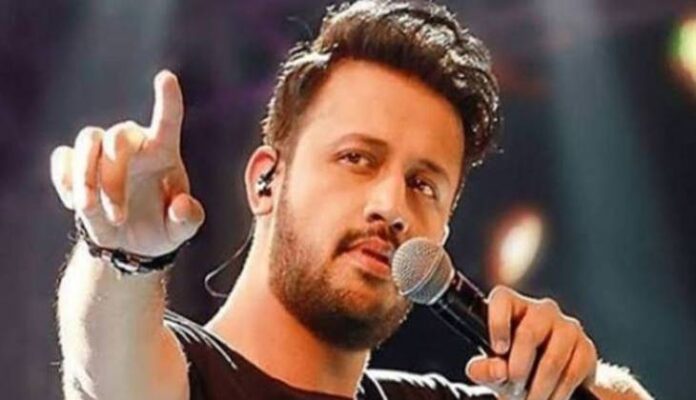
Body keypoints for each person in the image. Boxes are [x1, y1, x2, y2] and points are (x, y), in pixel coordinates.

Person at [50, 1, 653, 399]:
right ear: (266, 180)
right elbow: (103, 360)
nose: (391, 205)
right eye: (357, 158)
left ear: (442, 233)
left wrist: (570, 378)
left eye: (423, 185)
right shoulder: (182, 375)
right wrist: (122, 255)